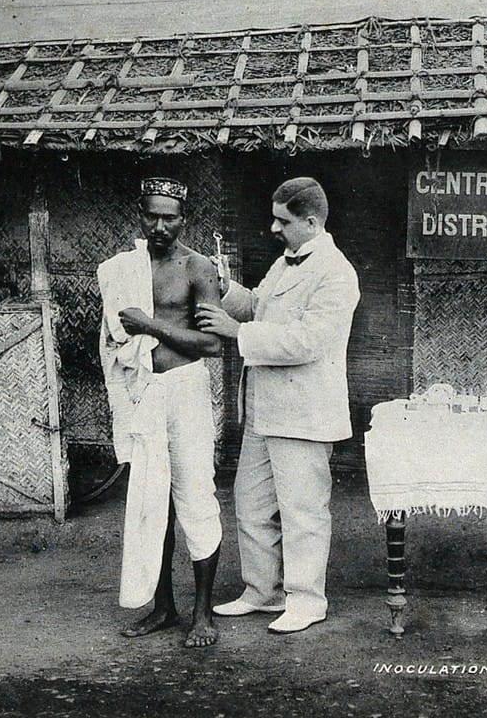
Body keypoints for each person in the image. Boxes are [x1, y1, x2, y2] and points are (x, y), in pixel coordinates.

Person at [196, 176, 360, 634]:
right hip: (265, 410)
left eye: (282, 220)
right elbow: (257, 305)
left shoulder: (335, 272)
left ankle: (307, 599)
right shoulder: (286, 263)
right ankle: (262, 591)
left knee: (303, 511)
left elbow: (306, 342)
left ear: (310, 222)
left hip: (305, 415)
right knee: (249, 504)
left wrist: (235, 333)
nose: (272, 228)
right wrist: (225, 288)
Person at [97, 176, 224, 647]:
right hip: (145, 391)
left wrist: (149, 323)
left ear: (183, 219)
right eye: (151, 215)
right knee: (153, 504)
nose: (160, 225)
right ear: (140, 213)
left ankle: (202, 614)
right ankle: (163, 607)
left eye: (169, 217)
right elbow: (113, 335)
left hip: (186, 390)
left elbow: (212, 342)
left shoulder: (198, 268)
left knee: (195, 497)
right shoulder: (125, 269)